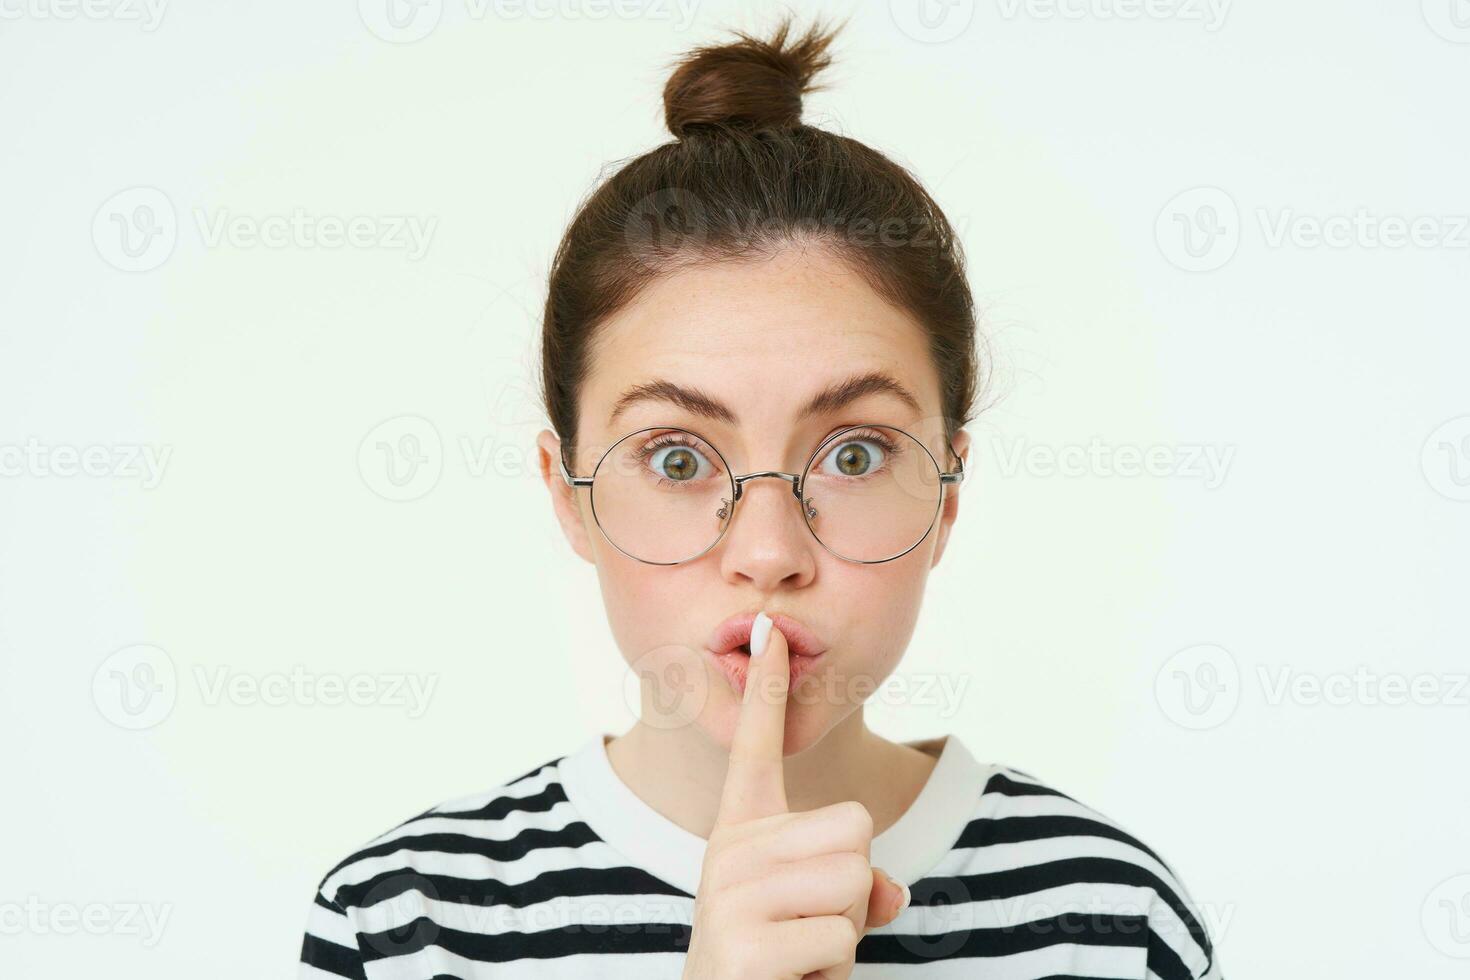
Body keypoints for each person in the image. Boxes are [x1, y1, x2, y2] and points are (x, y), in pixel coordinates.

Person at [298, 15, 1223, 980]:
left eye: (855, 455)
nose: (769, 550)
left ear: (948, 492)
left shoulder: (1110, 918)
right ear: (567, 496)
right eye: (678, 460)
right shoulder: (403, 924)